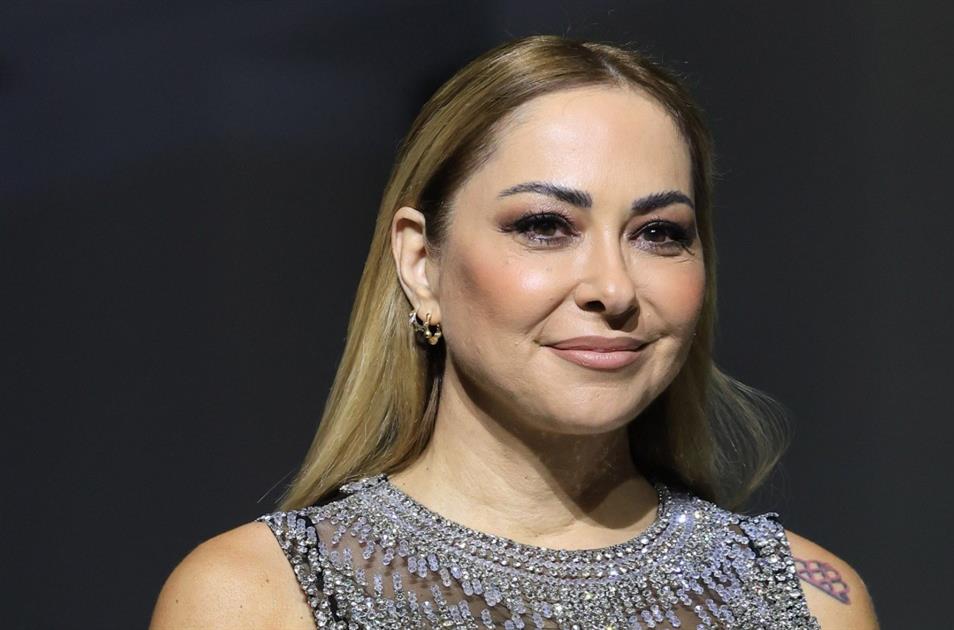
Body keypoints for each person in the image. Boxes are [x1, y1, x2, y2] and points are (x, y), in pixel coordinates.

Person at [150, 35, 879, 630]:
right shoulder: (257, 600)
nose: (613, 288)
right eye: (544, 226)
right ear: (421, 262)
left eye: (659, 233)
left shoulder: (808, 602)